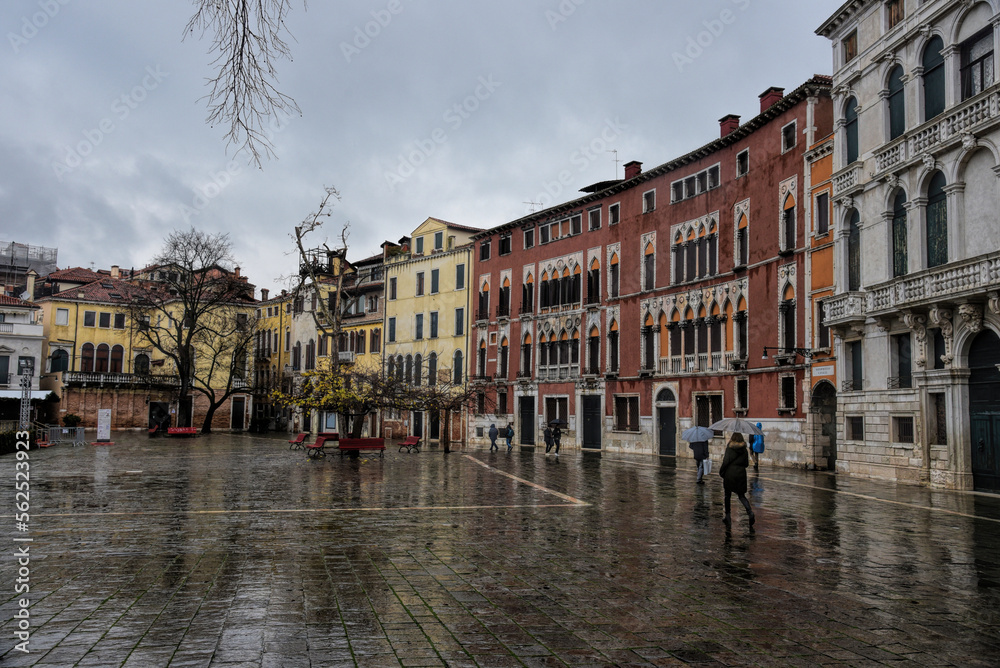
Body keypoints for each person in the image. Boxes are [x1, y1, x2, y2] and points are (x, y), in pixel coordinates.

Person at [718, 432, 755, 527]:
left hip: (730, 474)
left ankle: (728, 517)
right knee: (741, 496)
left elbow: (725, 462)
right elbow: (746, 464)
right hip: (741, 474)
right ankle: (750, 512)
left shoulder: (730, 448)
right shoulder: (744, 450)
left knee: (727, 496)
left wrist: (721, 472)